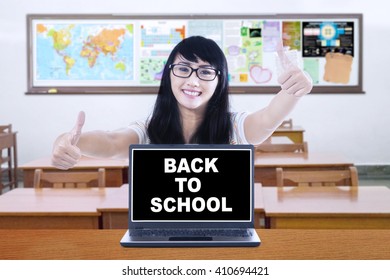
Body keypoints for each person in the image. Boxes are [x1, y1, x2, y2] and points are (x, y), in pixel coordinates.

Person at [51, 36, 312, 170]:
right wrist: (66, 140)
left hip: (224, 237)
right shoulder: (148, 132)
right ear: (169, 74)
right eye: (184, 69)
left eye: (206, 72)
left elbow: (268, 118)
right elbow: (110, 141)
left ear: (219, 80)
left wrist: (294, 90)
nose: (193, 81)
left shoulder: (235, 129)